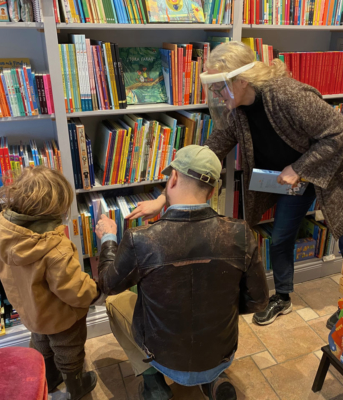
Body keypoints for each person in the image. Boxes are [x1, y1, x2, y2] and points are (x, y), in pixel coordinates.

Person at [126, 41, 343, 327]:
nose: (216, 93)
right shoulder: (238, 109)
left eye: (220, 85)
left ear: (242, 80)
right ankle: (282, 298)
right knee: (280, 237)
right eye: (213, 86)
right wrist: (162, 199)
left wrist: (299, 167)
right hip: (296, 177)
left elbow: (338, 133)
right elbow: (210, 151)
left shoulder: (288, 95)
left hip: (337, 170)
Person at [94, 145, 269, 400]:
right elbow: (258, 301)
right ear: (211, 192)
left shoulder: (140, 239)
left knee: (115, 301)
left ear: (173, 178)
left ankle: (153, 382)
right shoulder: (240, 233)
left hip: (163, 357)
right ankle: (213, 379)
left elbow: (107, 285)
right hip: (220, 354)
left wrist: (108, 238)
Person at [0, 167, 103, 400]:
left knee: (41, 341)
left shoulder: (2, 229)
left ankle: (48, 377)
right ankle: (76, 385)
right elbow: (74, 289)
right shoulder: (56, 249)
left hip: (30, 310)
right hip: (61, 316)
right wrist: (94, 289)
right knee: (68, 349)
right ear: (57, 210)